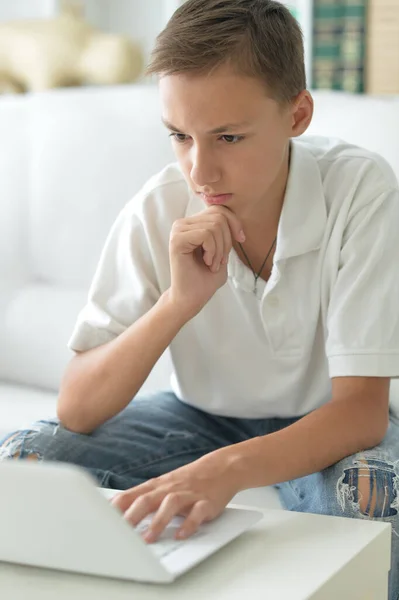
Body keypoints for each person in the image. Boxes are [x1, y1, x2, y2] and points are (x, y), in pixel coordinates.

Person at [1, 0, 399, 596]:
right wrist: (179, 302)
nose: (201, 171)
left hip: (324, 419)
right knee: (25, 458)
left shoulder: (361, 192)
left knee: (369, 492)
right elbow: (77, 409)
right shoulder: (157, 207)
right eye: (180, 136)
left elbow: (362, 412)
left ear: (298, 114)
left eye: (229, 137)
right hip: (199, 415)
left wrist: (223, 473)